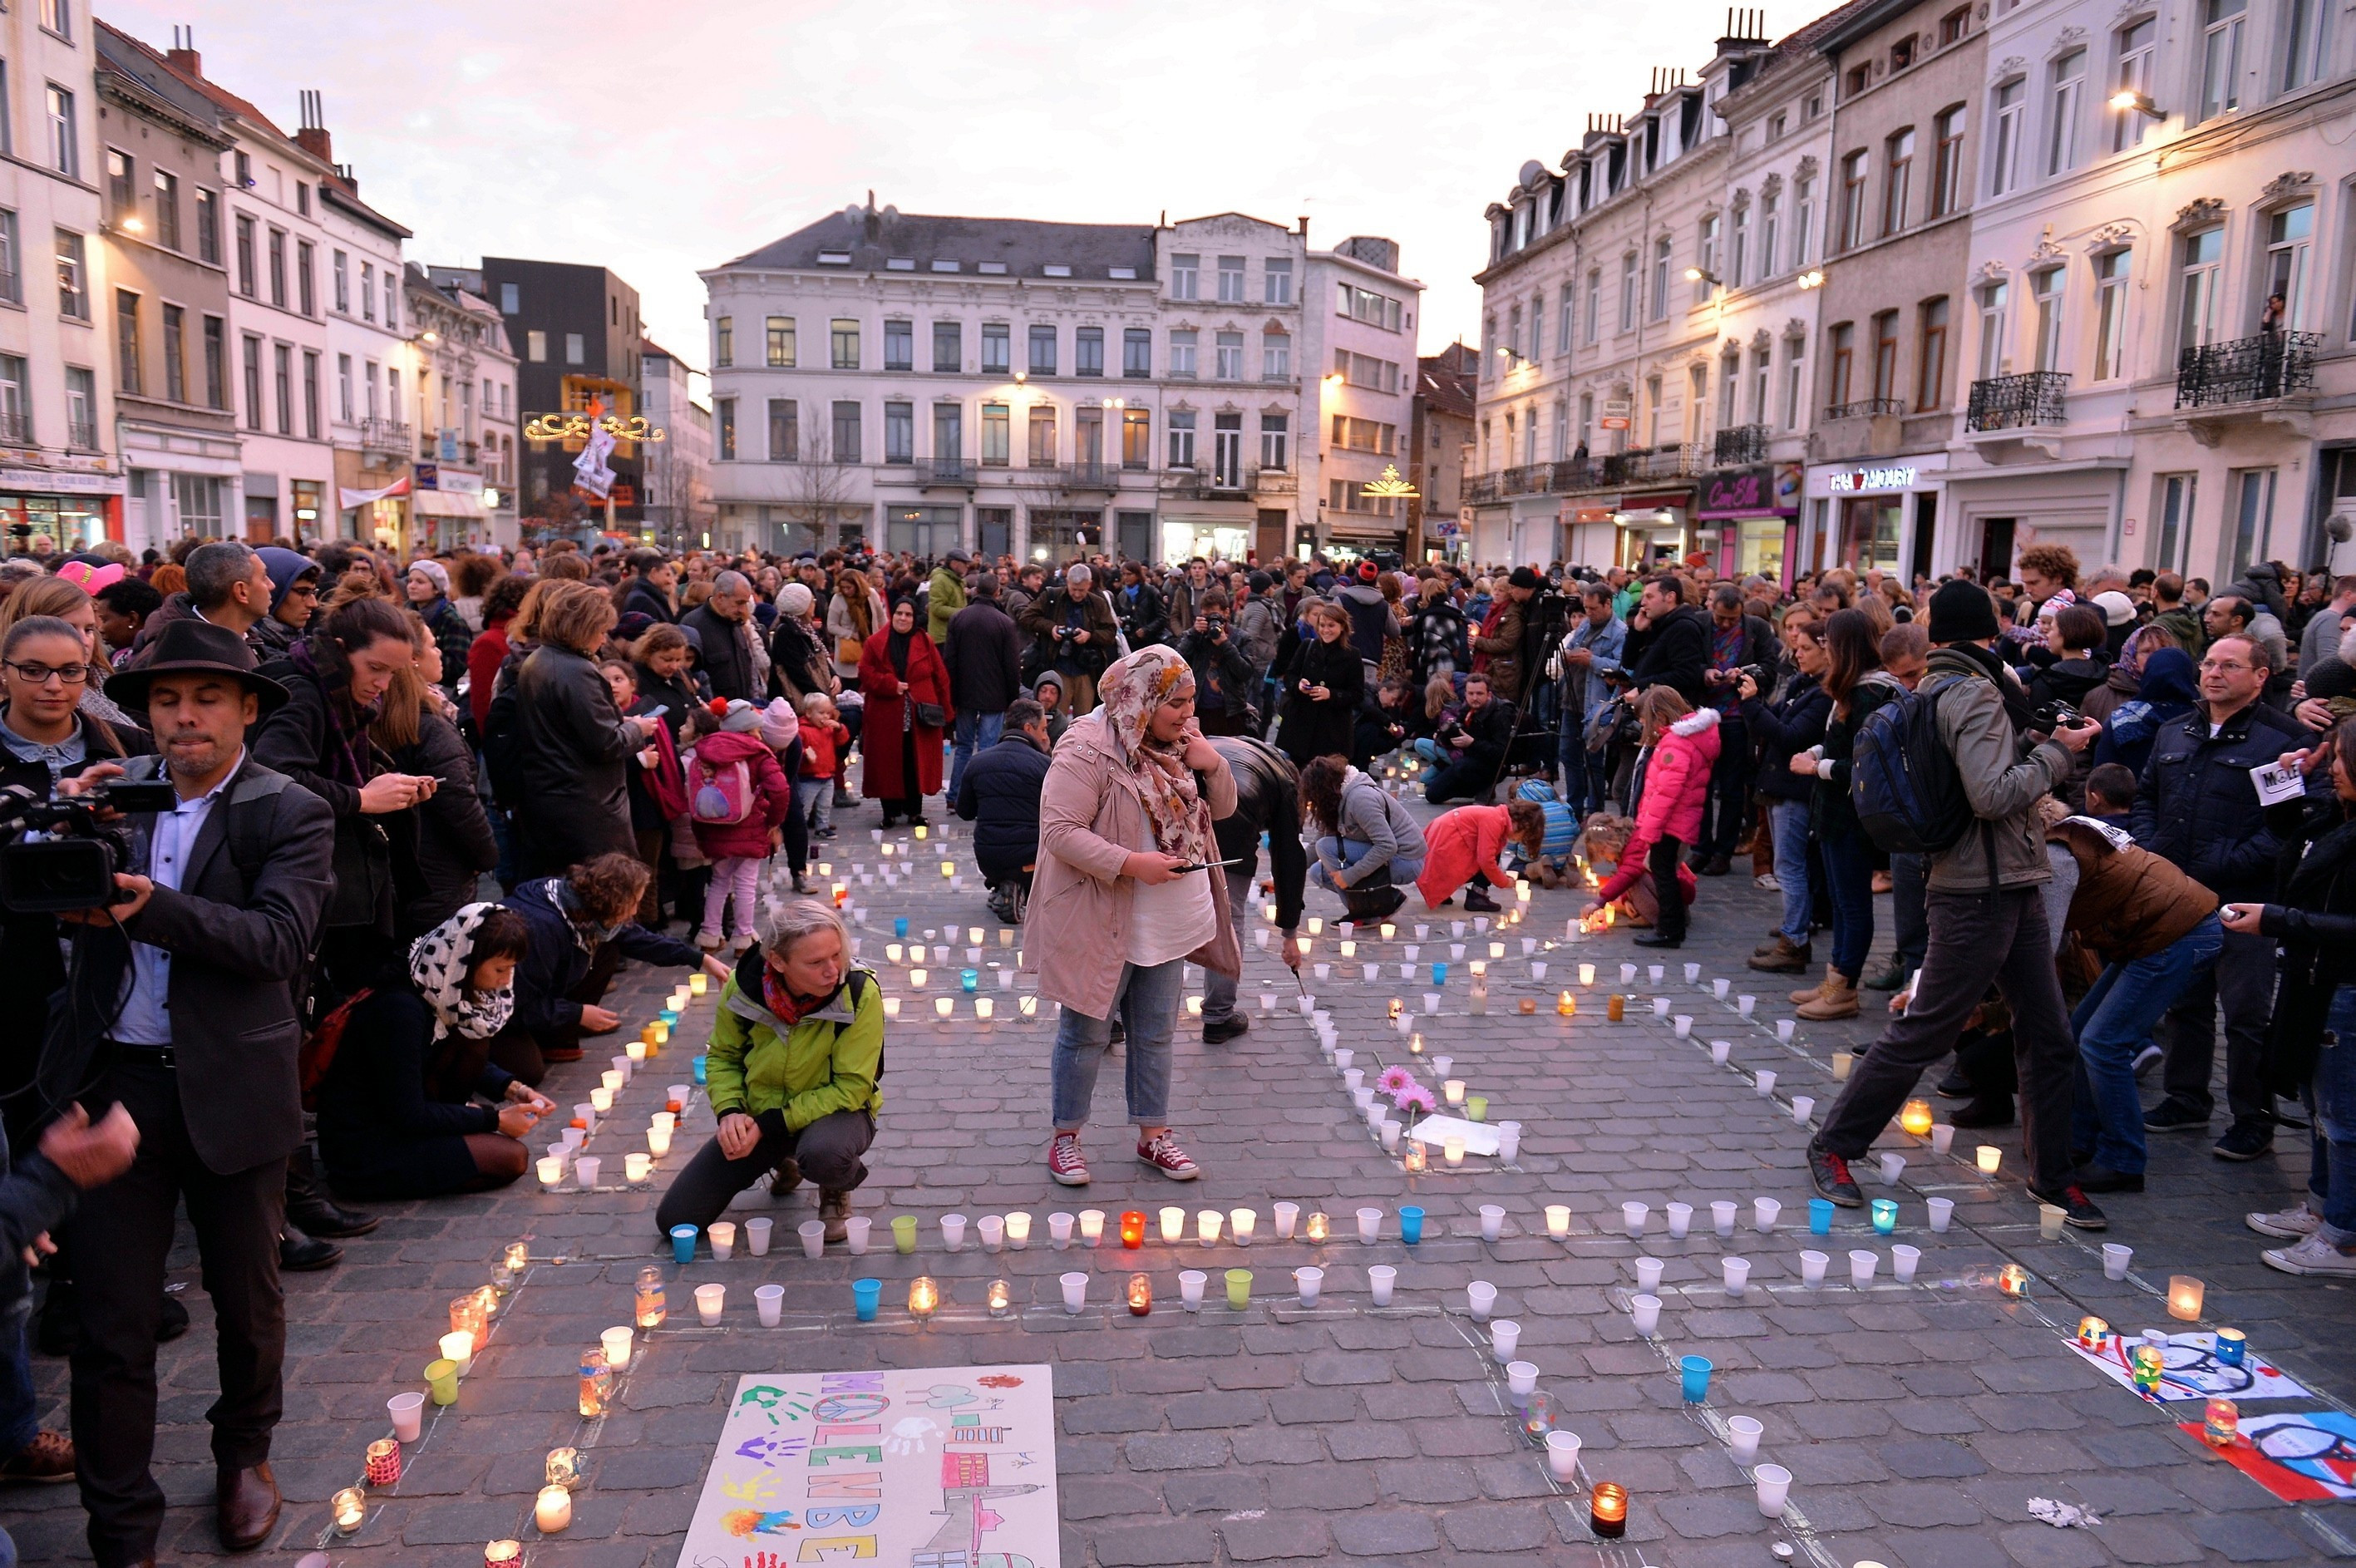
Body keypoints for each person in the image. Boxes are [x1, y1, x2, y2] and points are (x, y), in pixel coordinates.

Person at [58, 619, 334, 1566]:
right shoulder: (113, 799)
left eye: (206, 698)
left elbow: (278, 942)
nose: (184, 717)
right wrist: (57, 822)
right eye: (167, 700)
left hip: (234, 1085)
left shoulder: (287, 808)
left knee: (247, 1301)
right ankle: (120, 1524)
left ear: (246, 708)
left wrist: (153, 906)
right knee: (111, 1323)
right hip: (115, 1093)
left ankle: (243, 1452)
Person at [1805, 579, 2106, 1229]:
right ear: (1993, 628)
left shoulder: (1948, 685)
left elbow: (1979, 775)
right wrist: (2060, 752)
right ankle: (1834, 1144)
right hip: (1976, 888)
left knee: (2049, 1035)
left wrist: (2032, 747)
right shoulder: (1971, 690)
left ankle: (2053, 1177)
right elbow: (1993, 796)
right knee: (1928, 1028)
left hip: (2012, 880)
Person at [1028, 646, 1238, 1186]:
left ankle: (1154, 1135)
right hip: (1102, 912)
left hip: (1169, 915)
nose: (1188, 716)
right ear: (1143, 697)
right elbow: (1059, 832)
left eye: (1192, 703)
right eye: (1178, 704)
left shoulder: (1181, 743)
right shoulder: (1087, 747)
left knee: (1156, 1031)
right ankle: (1067, 1137)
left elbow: (1223, 810)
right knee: (1086, 1032)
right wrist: (1132, 863)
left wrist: (1212, 764)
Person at [2132, 632, 2309, 1160]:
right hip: (2180, 895)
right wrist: (2150, 848)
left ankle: (2253, 1118)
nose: (2213, 673)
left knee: (2246, 1014)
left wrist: (2230, 862)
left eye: (2229, 666)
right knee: (2186, 1002)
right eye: (2208, 663)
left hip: (2244, 900)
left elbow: (2289, 827)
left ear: (2260, 676)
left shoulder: (2283, 739)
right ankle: (2187, 1098)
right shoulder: (2173, 732)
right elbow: (2147, 796)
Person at [655, 900, 881, 1244]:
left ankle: (833, 1185)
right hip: (759, 1116)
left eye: (837, 955)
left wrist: (768, 1125)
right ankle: (784, 1158)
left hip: (836, 1114)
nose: (832, 971)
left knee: (824, 1154)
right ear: (777, 961)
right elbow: (724, 1056)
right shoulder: (744, 988)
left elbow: (851, 1087)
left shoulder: (858, 992)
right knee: (677, 1220)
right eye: (816, 962)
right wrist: (730, 1112)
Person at [253, 596, 440, 994]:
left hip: (334, 879)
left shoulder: (333, 689)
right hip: (311, 884)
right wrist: (363, 799)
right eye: (375, 668)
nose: (382, 685)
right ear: (340, 650)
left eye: (393, 673)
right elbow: (274, 774)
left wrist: (393, 788)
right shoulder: (303, 692)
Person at [2037, 802, 2222, 1194]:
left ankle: (2123, 1159)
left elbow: (2048, 945)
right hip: (2157, 931)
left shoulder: (2055, 856)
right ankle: (2080, 1139)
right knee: (2083, 1030)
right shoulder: (2069, 837)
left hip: (2177, 932)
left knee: (2103, 1042)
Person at [2230, 714, 2356, 1275]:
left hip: (2344, 984)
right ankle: (2324, 1207)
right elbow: (2292, 841)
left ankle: (2344, 1236)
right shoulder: (2336, 816)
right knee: (2317, 1103)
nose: (2331, 766)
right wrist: (2287, 784)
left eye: (2339, 758)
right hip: (2313, 980)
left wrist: (2280, 920)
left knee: (2344, 1116)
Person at [315, 905, 554, 1198]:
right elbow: (408, 1113)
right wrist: (494, 1120)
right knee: (510, 1158)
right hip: (365, 1141)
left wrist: (513, 1089)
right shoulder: (401, 1009)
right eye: (499, 969)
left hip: (403, 1117)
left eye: (512, 969)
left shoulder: (441, 990)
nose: (506, 980)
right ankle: (375, 1182)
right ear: (465, 960)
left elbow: (453, 1048)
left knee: (474, 1039)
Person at [489, 854, 729, 1083]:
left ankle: (557, 1035)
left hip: (535, 995)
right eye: (633, 903)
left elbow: (639, 939)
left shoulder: (585, 911)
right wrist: (577, 1013)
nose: (635, 912)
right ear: (612, 901)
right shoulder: (543, 929)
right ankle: (508, 1046)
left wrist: (698, 959)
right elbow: (519, 1003)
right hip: (501, 1009)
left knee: (608, 949)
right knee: (528, 1072)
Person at [1780, 610, 1906, 1020]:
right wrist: (1817, 753)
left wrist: (1816, 767)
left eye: (1828, 642)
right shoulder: (1853, 688)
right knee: (1838, 899)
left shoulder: (1871, 692)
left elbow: (1864, 762)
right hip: (1834, 810)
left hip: (1852, 813)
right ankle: (1834, 979)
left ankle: (1845, 988)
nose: (1822, 648)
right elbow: (1842, 742)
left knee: (1852, 905)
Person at [505, 581, 662, 878]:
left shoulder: (538, 660)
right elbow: (606, 744)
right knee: (599, 892)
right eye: (600, 631)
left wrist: (618, 723)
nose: (603, 640)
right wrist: (636, 729)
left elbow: (569, 727)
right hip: (586, 806)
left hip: (553, 799)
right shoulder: (577, 671)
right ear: (582, 627)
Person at [373, 613, 498, 937]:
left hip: (405, 871)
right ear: (412, 660)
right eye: (433, 646)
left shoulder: (381, 715)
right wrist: (486, 855)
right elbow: (457, 798)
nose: (440, 652)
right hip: (439, 872)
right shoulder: (428, 724)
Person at [1582, 687, 1720, 949]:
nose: (1645, 728)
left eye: (1646, 721)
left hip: (1669, 822)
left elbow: (1666, 793)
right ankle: (1672, 925)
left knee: (1662, 872)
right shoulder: (1686, 738)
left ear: (1659, 715)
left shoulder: (1676, 743)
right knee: (1663, 870)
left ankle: (1669, 930)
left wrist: (1649, 829)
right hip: (1676, 819)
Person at [1198, 735, 1305, 1043]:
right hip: (1233, 829)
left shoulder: (1234, 744)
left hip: (1183, 807)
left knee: (1161, 914)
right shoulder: (1283, 783)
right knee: (1228, 920)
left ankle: (1121, 1017)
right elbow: (1288, 859)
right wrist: (1289, 933)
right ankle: (1219, 1016)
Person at [1739, 618, 1831, 974]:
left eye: (1807, 648)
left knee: (1789, 867)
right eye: (1797, 648)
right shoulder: (1802, 683)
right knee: (1789, 865)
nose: (1799, 654)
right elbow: (1774, 718)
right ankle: (1795, 931)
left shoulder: (1823, 695)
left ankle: (1795, 941)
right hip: (1781, 786)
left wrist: (1751, 704)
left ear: (1827, 651)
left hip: (1796, 790)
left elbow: (1788, 735)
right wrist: (1755, 698)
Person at [681, 699, 794, 952]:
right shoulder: (758, 753)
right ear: (752, 729)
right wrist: (773, 822)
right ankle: (743, 938)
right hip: (749, 826)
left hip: (713, 827)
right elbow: (781, 790)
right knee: (745, 884)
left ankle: (710, 934)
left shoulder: (704, 749)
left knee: (719, 881)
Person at [1696, 584, 1777, 876]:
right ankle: (1701, 847)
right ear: (1712, 608)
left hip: (1736, 718)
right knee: (1700, 786)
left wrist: (1744, 673)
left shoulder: (1757, 628)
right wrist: (1704, 673)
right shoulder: (1699, 623)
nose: (1726, 623)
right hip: (1702, 716)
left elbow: (1769, 667)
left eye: (1732, 618)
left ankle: (1723, 851)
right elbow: (1686, 661)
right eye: (1721, 618)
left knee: (1732, 789)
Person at [955, 697, 1054, 925]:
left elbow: (965, 812)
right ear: (1028, 729)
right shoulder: (1044, 766)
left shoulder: (978, 762)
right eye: (1042, 729)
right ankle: (1021, 888)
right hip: (1032, 858)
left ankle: (1003, 885)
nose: (1045, 736)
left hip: (988, 858)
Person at [859, 598, 953, 828]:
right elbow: (865, 673)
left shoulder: (925, 641)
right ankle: (889, 812)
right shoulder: (875, 642)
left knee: (914, 762)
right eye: (899, 613)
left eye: (908, 614)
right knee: (887, 762)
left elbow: (940, 677)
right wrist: (891, 685)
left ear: (915, 618)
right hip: (886, 714)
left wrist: (947, 712)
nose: (903, 618)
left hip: (920, 714)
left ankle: (914, 812)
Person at [1299, 752, 1425, 920]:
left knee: (1327, 847)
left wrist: (1349, 876)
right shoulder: (1336, 800)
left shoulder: (1360, 799)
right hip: (1389, 857)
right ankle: (1387, 899)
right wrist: (1285, 877)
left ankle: (1363, 912)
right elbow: (1315, 845)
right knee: (1318, 872)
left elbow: (1387, 846)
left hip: (1406, 861)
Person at [944, 571, 1022, 800]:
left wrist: (952, 695)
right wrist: (1012, 698)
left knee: (964, 747)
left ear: (975, 590)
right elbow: (1011, 666)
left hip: (965, 694)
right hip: (995, 695)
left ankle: (956, 795)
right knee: (988, 748)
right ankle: (983, 797)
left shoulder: (958, 618)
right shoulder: (1005, 623)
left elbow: (950, 661)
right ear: (998, 592)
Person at [1554, 584, 1625, 817]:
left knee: (1593, 759)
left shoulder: (1619, 632)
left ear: (1607, 604)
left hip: (1596, 704)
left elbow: (1623, 668)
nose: (1589, 613)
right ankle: (1575, 807)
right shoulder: (1585, 625)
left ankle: (1595, 810)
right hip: (1572, 698)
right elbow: (1572, 648)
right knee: (1568, 754)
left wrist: (1593, 660)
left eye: (1593, 608)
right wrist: (1570, 654)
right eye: (1586, 608)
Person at [1414, 797, 1546, 913]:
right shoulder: (1494, 820)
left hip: (1441, 846)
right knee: (1492, 853)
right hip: (1444, 850)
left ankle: (1444, 890)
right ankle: (1478, 896)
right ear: (1522, 825)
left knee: (1493, 848)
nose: (1518, 840)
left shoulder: (1496, 815)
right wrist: (1504, 882)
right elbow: (1486, 860)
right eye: (1522, 837)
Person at [1019, 564, 1118, 716]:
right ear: (1067, 582)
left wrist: (1089, 635)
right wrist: (1051, 628)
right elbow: (1026, 617)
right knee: (1055, 719)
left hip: (1086, 671)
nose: (1077, 594)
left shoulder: (1097, 603)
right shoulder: (1052, 597)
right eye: (1074, 589)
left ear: (1089, 585)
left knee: (1085, 721)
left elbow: (1111, 632)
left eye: (1082, 590)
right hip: (1057, 666)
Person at [1275, 603, 1362, 768]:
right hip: (1301, 728)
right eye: (1322, 625)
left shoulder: (1352, 656)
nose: (1326, 630)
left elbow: (1357, 695)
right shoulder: (1308, 646)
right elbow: (1290, 676)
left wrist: (1331, 694)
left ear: (1342, 627)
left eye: (1331, 625)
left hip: (1332, 734)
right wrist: (1298, 685)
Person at [1421, 671, 1516, 804]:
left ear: (1488, 695)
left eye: (1479, 694)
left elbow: (1503, 753)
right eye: (1471, 694)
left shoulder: (1500, 714)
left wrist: (1472, 743)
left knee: (1462, 767)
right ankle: (1475, 789)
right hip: (1468, 760)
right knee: (1432, 795)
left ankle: (1485, 786)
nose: (1475, 698)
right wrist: (1445, 736)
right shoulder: (1466, 709)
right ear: (1465, 694)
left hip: (1493, 765)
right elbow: (1455, 736)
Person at [1174, 593, 1258, 737]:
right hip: (1199, 709)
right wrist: (1193, 634)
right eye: (1206, 616)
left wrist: (1225, 645)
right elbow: (1175, 661)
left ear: (1226, 612)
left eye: (1214, 616)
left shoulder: (1241, 638)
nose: (1211, 621)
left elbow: (1246, 673)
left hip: (1230, 712)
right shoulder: (1195, 636)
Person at [1619, 573, 1710, 703]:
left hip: (1668, 709)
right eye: (1643, 597)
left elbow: (1685, 675)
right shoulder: (1657, 623)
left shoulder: (1684, 627)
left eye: (1649, 597)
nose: (1643, 603)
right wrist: (1636, 631)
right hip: (1649, 706)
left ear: (1670, 597)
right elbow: (1629, 662)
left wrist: (1642, 686)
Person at [684, 570, 766, 704]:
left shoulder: (735, 622)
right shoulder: (694, 626)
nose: (743, 609)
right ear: (720, 597)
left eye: (745, 603)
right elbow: (689, 678)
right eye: (739, 603)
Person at [404, 560, 472, 704]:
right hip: (407, 688)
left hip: (441, 690)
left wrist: (424, 659)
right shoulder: (404, 614)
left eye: (420, 582)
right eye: (410, 581)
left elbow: (457, 665)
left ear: (436, 588)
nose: (412, 586)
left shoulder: (451, 620)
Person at [794, 691, 851, 841]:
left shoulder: (829, 729)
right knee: (805, 805)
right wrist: (805, 753)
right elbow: (794, 748)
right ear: (808, 713)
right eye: (821, 713)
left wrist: (839, 727)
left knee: (824, 805)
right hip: (809, 776)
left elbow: (842, 740)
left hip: (828, 774)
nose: (826, 717)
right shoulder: (802, 730)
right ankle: (799, 828)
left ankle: (822, 827)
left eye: (828, 713)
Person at [249, 549, 320, 659]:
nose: (313, 604)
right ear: (274, 590)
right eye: (303, 592)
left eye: (313, 592)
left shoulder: (303, 646)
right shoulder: (246, 652)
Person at [925, 548, 971, 644]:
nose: (967, 566)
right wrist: (963, 613)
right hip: (942, 638)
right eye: (964, 563)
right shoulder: (940, 580)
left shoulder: (958, 579)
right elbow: (936, 608)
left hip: (954, 634)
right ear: (954, 564)